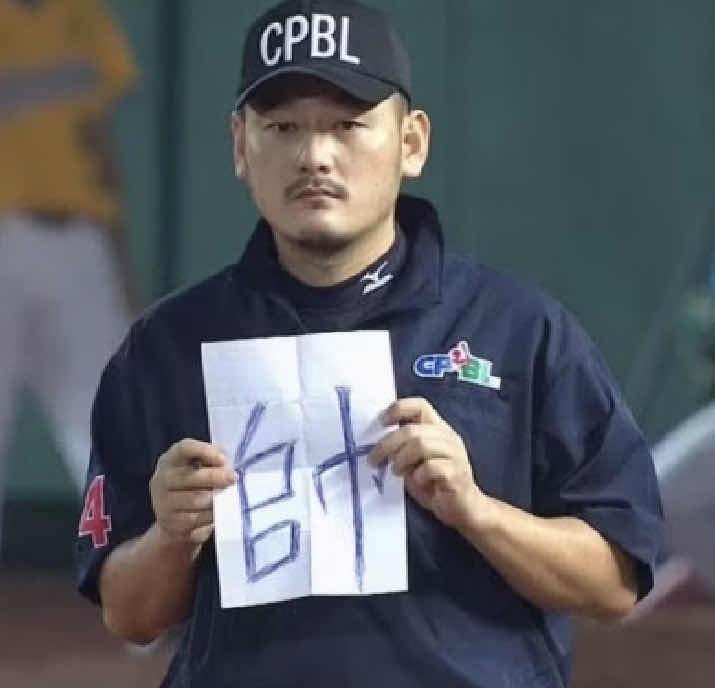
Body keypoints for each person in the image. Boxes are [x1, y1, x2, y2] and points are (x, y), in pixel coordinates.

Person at [75, 1, 663, 686]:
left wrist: (476, 511)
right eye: (282, 127)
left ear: (411, 142)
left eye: (347, 125)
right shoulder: (166, 347)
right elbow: (127, 614)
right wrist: (172, 535)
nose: (314, 156)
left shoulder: (518, 329)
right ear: (240, 146)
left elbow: (616, 581)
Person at [0, 0, 137, 547]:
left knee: (106, 416)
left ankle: (132, 579)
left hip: (81, 235)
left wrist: (118, 253)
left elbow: (99, 139)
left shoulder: (81, 14)